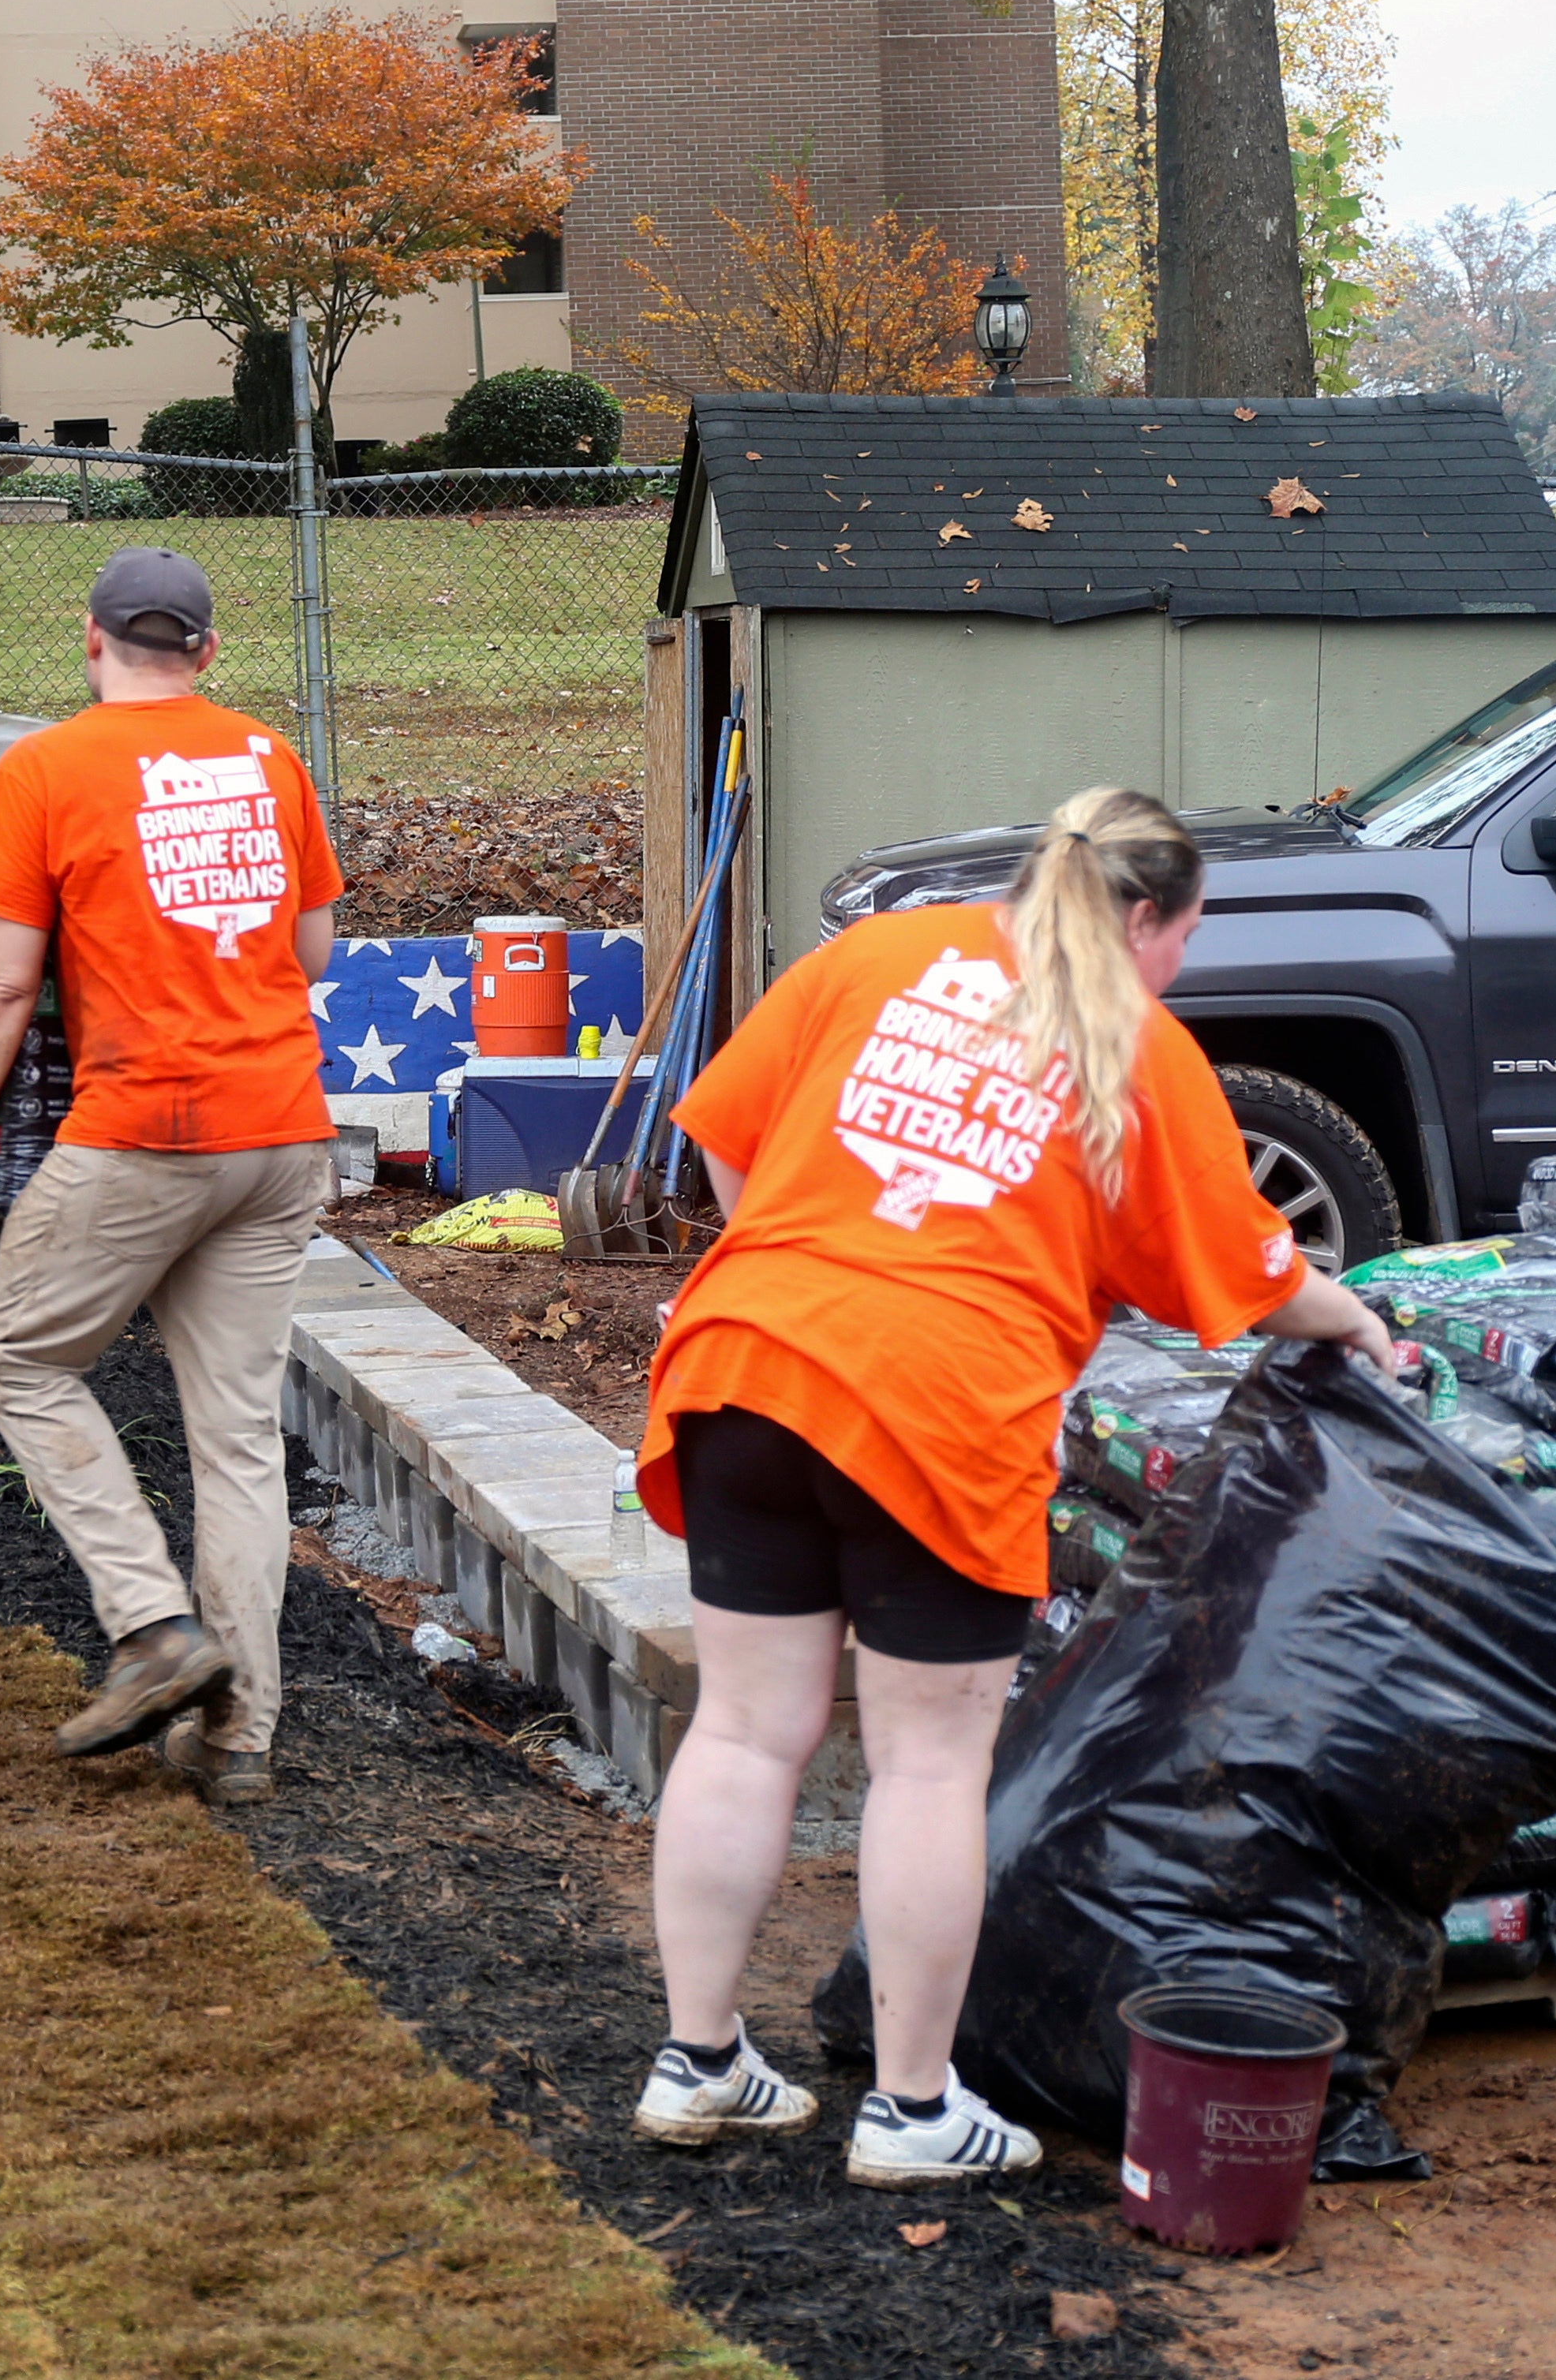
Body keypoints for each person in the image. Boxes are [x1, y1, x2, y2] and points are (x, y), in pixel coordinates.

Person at [626, 784, 1397, 2187]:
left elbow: (729, 1139)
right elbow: (1247, 1265)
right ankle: (912, 2109)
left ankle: (699, 2060)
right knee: (927, 1758)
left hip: (744, 1362)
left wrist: (827, 1287)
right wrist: (1353, 1321)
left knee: (743, 1728)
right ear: (1149, 916)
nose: (1177, 970)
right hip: (938, 1409)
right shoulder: (1137, 1045)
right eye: (1185, 940)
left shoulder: (873, 956)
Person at [0, 544, 342, 1805]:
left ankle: (153, 1627)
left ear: (90, 639)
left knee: (23, 1360)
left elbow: (0, 982)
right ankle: (241, 1735)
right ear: (207, 651)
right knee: (235, 1439)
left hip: (145, 1132)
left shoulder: (45, 767)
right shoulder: (271, 758)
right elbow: (312, 950)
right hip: (281, 1135)